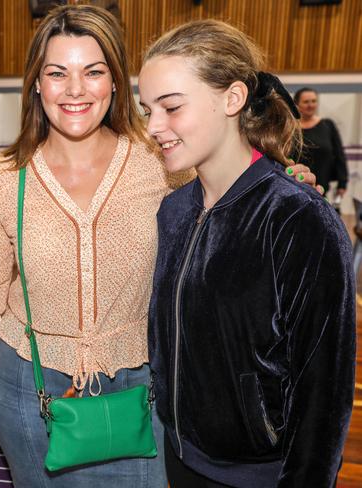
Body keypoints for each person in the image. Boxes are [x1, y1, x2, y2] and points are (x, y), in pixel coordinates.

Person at [0, 6, 317, 486]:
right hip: (30, 394)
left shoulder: (162, 161)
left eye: (94, 71)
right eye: (57, 73)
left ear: (115, 83)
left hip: (138, 391)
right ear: (36, 84)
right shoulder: (6, 177)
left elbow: (232, 205)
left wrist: (279, 186)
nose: (75, 89)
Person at [140, 20, 355, 488]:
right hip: (180, 457)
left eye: (171, 107)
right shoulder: (174, 210)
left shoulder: (299, 220)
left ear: (233, 99)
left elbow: (324, 397)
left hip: (260, 475)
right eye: (147, 109)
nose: (154, 127)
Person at [294, 87, 348, 208]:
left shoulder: (328, 125)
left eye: (313, 101)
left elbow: (339, 155)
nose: (311, 105)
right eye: (306, 102)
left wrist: (342, 183)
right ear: (297, 104)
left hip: (322, 190)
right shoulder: (290, 127)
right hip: (295, 190)